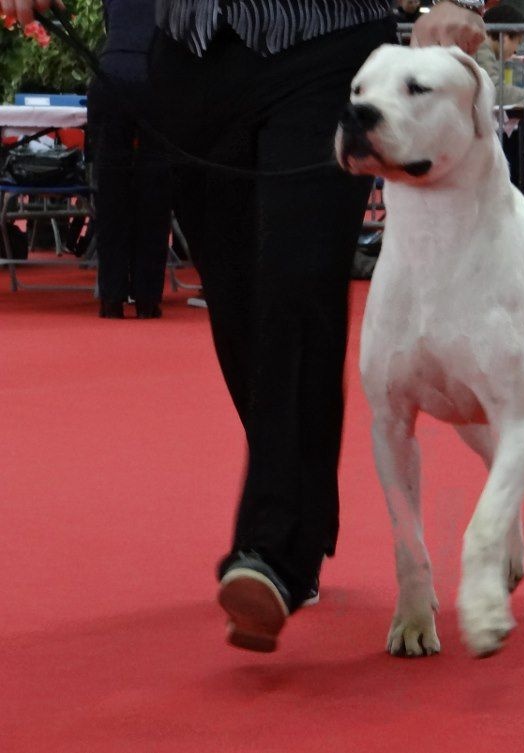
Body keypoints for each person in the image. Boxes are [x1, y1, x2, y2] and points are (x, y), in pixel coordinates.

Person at [2, 0, 487, 652]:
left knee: (298, 285)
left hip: (323, 45)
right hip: (190, 60)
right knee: (237, 304)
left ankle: (273, 549)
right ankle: (302, 505)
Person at [89, 0, 172, 319]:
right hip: (155, 76)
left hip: (111, 72)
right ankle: (148, 297)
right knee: (155, 192)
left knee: (110, 192)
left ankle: (111, 296)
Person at [476, 3, 524, 208]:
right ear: (504, 36)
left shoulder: (485, 50)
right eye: (517, 41)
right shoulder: (480, 47)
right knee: (521, 144)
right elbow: (498, 93)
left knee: (520, 142)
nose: (517, 49)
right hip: (471, 131)